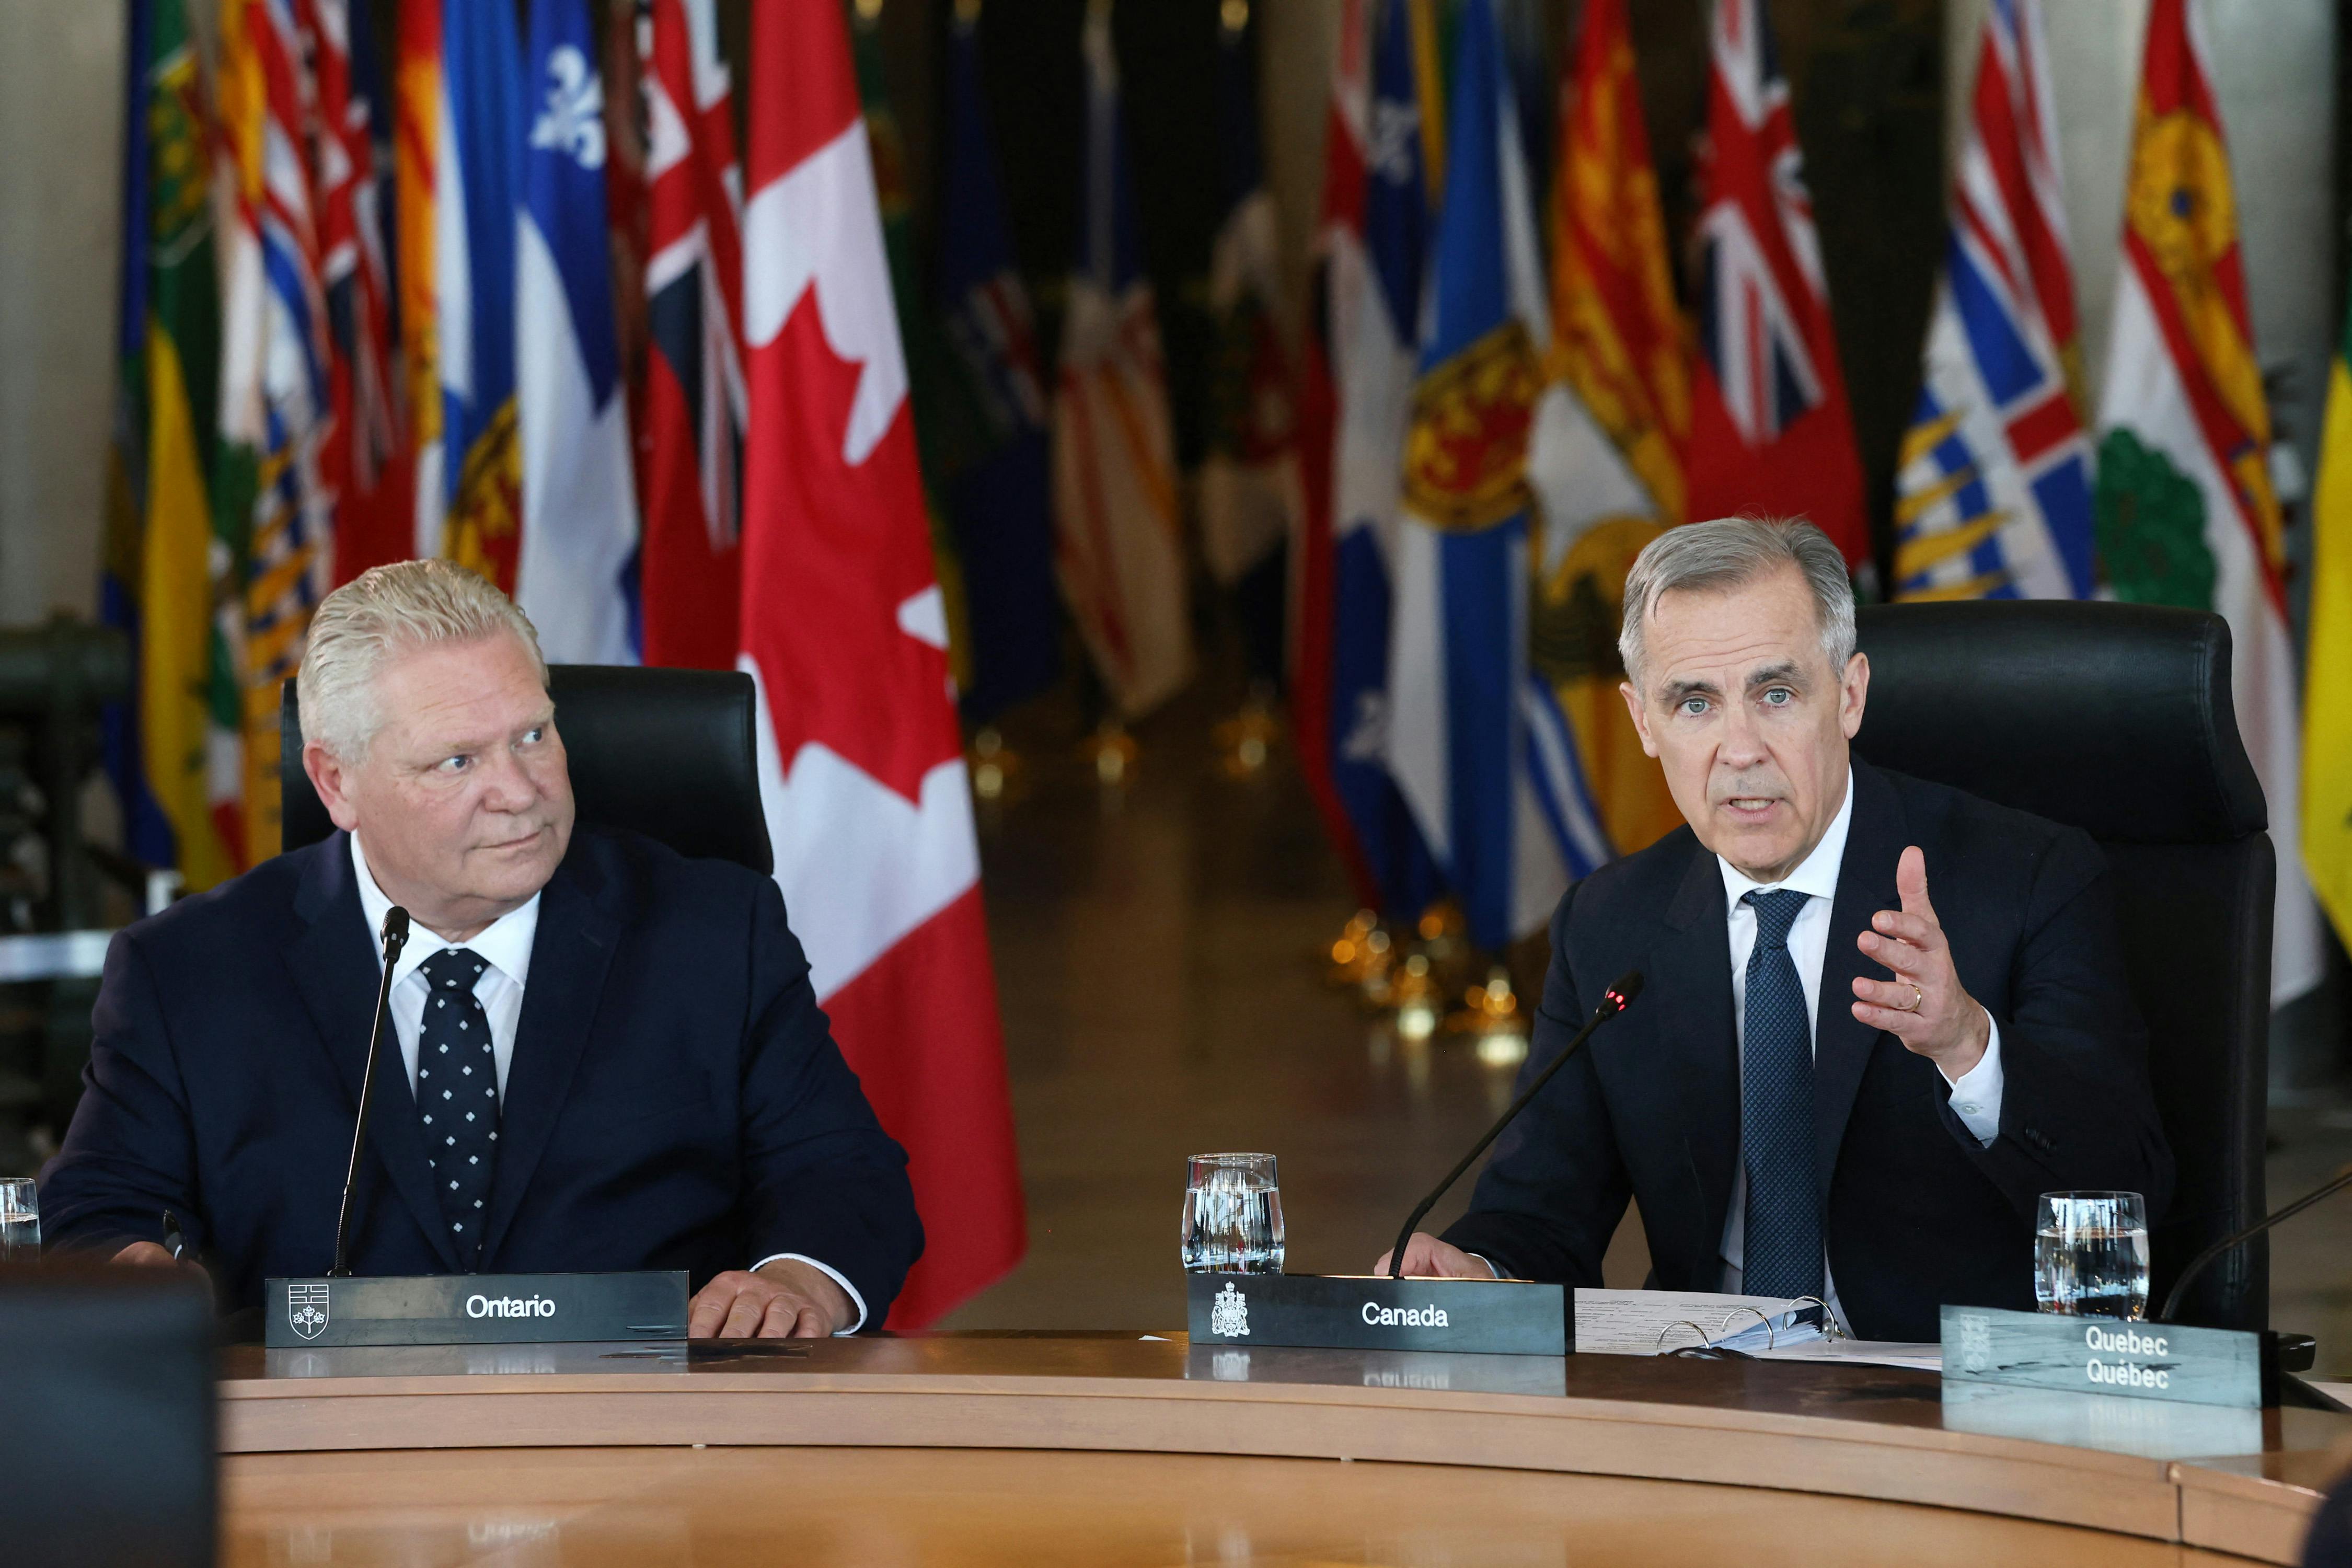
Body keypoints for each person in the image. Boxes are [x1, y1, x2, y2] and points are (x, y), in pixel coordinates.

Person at [40, 560, 921, 1338]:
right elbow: (100, 1206)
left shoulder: (714, 931)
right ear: (335, 782)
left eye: (534, 735)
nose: (519, 791)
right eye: (457, 762)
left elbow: (841, 1171)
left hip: (652, 1444)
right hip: (326, 1465)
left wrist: (796, 1281)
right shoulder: (188, 970)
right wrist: (135, 1275)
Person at [1376, 516, 2173, 1341]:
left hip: (1948, 1408)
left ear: (1851, 694)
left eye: (1777, 694)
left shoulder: (2028, 880)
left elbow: (2131, 1189)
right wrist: (1480, 1272)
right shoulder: (1610, 922)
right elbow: (1540, 1214)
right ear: (1644, 723)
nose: (1740, 749)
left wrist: (1968, 1045)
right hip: (1710, 1401)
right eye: (1695, 703)